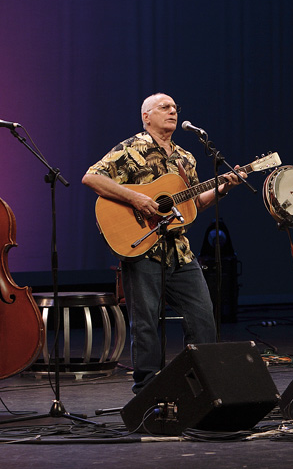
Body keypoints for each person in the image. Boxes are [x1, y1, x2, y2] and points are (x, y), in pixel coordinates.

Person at [82, 93, 240, 393]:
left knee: (203, 316)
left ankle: (201, 383)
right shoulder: (129, 149)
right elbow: (91, 178)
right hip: (142, 246)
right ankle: (148, 390)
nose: (172, 112)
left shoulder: (185, 158)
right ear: (146, 116)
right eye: (164, 107)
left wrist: (220, 189)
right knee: (145, 323)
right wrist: (136, 198)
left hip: (179, 249)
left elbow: (191, 205)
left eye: (174, 108)